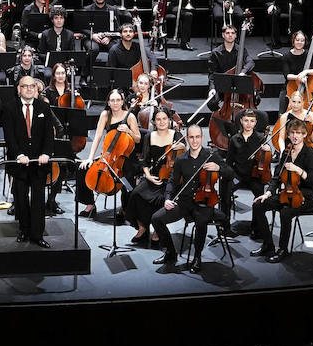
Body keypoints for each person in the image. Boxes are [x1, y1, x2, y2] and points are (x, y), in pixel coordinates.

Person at [249, 117, 313, 262]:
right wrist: (268, 193)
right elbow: (276, 177)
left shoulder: (309, 153)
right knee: (258, 205)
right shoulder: (286, 153)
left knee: (285, 213)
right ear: (288, 135)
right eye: (292, 133)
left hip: (305, 197)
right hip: (286, 193)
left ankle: (283, 249)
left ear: (304, 135)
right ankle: (268, 245)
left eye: (298, 133)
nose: (295, 136)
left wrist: (298, 170)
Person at [152, 125, 221, 271]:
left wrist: (219, 168)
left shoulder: (211, 156)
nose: (194, 140)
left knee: (201, 222)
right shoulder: (181, 159)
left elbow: (230, 173)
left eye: (197, 137)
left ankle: (197, 257)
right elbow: (172, 181)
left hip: (203, 202)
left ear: (202, 138)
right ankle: (171, 253)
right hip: (184, 203)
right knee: (156, 218)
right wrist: (168, 198)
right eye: (191, 137)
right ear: (187, 138)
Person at [78, 88, 141, 219]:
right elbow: (98, 137)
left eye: (118, 100)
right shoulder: (105, 115)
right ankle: (90, 204)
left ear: (123, 101)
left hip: (126, 156)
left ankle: (125, 208)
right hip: (108, 155)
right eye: (112, 100)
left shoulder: (130, 116)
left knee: (127, 177)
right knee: (82, 169)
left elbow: (138, 138)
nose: (115, 103)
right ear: (109, 102)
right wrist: (89, 158)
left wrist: (128, 131)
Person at [7, 77, 55, 246]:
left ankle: (37, 235)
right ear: (18, 89)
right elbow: (10, 137)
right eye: (24, 86)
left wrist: (46, 154)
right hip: (19, 162)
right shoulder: (10, 107)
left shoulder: (44, 107)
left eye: (31, 86)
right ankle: (24, 229)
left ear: (36, 88)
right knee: (20, 198)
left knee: (38, 199)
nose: (28, 89)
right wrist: (19, 155)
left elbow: (49, 134)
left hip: (39, 162)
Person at [129, 107, 179, 250]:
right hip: (154, 176)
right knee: (135, 194)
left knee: (161, 198)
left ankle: (157, 230)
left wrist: (183, 147)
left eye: (164, 119)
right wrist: (148, 175)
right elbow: (144, 160)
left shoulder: (177, 135)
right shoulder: (149, 136)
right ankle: (143, 227)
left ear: (169, 120)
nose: (162, 122)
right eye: (158, 119)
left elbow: (182, 161)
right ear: (154, 122)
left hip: (170, 178)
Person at [221, 109, 268, 218]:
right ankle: (225, 226)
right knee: (225, 189)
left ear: (256, 122)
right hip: (238, 175)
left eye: (252, 121)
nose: (249, 124)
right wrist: (230, 175)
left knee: (259, 198)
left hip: (254, 176)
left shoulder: (261, 139)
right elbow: (229, 161)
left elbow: (265, 162)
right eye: (246, 120)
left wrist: (267, 150)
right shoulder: (234, 139)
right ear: (241, 121)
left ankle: (256, 227)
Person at [208, 24, 255, 118]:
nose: (230, 35)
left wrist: (243, 72)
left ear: (236, 35)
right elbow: (212, 74)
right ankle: (221, 117)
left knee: (256, 97)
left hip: (238, 85)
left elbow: (250, 62)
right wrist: (212, 88)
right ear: (223, 35)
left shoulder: (241, 50)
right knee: (211, 102)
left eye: (233, 33)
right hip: (222, 85)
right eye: (227, 33)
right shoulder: (216, 53)